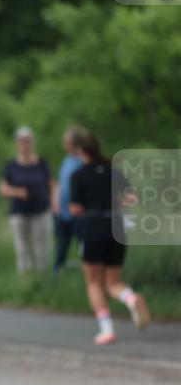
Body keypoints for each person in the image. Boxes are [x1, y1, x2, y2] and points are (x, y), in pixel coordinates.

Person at [69, 133, 150, 345]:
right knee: (113, 282)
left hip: (94, 227)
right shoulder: (114, 170)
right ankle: (131, 298)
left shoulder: (78, 175)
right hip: (117, 226)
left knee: (94, 282)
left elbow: (75, 209)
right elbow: (132, 197)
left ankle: (106, 330)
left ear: (80, 151)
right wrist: (116, 206)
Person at [0, 126, 55, 273]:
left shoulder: (42, 163)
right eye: (22, 141)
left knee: (41, 245)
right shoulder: (11, 165)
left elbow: (51, 185)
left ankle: (41, 277)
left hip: (40, 210)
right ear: (17, 144)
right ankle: (25, 277)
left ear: (32, 143)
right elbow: (3, 188)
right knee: (22, 246)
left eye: (27, 141)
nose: (25, 145)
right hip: (19, 211)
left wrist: (54, 204)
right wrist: (17, 192)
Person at [52, 125, 87, 277]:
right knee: (61, 245)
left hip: (78, 213)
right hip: (62, 212)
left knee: (83, 245)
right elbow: (61, 183)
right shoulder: (66, 160)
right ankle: (57, 273)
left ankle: (89, 275)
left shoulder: (84, 161)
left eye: (66, 142)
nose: (64, 145)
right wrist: (55, 201)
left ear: (74, 143)